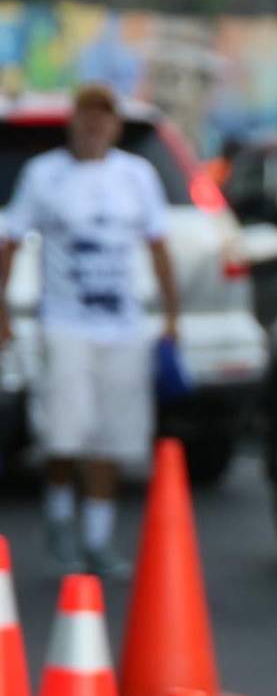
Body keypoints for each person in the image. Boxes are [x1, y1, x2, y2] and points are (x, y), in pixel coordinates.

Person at [0, 81, 180, 578]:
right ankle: (60, 517)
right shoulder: (45, 175)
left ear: (115, 125)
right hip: (65, 325)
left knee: (112, 439)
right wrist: (3, 311)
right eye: (86, 114)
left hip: (122, 328)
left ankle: (97, 538)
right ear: (74, 121)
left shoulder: (136, 176)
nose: (95, 124)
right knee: (64, 436)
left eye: (104, 115)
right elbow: (11, 240)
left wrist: (171, 318)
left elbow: (159, 246)